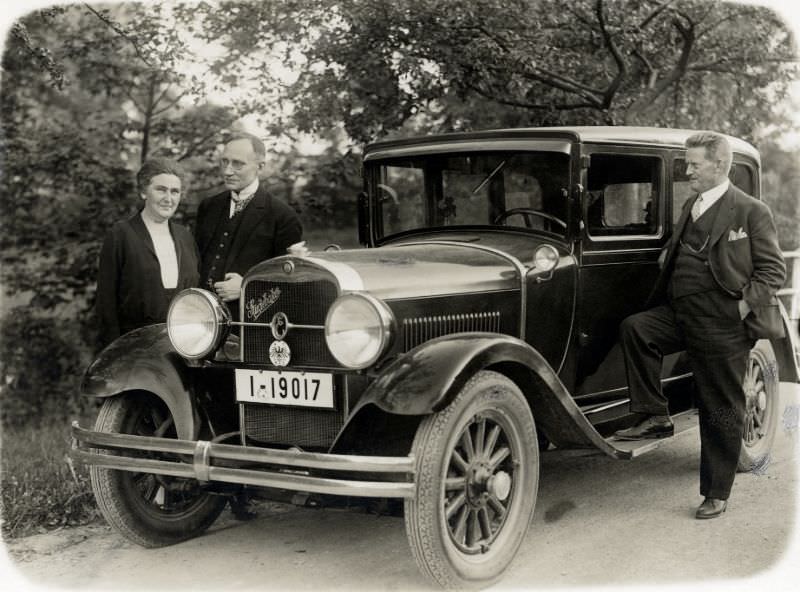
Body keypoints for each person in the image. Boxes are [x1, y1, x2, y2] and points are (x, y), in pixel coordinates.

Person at [613, 132, 786, 519]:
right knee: (636, 328)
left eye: (694, 164)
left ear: (719, 165)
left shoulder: (751, 210)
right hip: (681, 314)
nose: (686, 170)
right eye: (687, 163)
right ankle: (655, 414)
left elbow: (774, 271)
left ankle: (717, 491)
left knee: (719, 406)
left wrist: (740, 308)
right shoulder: (691, 204)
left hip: (723, 320)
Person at [195, 132, 302, 322]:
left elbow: (291, 281)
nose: (227, 171)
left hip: (249, 324)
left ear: (260, 166)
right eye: (224, 162)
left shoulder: (283, 216)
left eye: (237, 164)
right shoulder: (208, 206)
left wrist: (247, 286)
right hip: (201, 317)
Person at [96, 158, 199, 349]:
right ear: (143, 191)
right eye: (161, 189)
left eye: (174, 191)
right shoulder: (121, 235)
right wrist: (114, 354)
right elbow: (106, 305)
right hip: (133, 350)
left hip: (181, 349)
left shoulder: (185, 237)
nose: (168, 198)